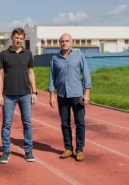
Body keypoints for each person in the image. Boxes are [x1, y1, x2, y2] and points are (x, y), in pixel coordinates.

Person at [48, 33, 92, 162]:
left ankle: (79, 149)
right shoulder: (55, 59)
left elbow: (86, 73)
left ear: (71, 42)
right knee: (65, 123)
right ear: (59, 43)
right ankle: (68, 148)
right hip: (62, 94)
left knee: (80, 123)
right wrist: (52, 95)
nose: (64, 43)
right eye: (62, 41)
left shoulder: (79, 56)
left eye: (67, 41)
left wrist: (87, 93)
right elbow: (52, 77)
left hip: (77, 94)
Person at [0, 27, 37, 164]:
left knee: (27, 123)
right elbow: (0, 74)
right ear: (12, 38)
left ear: (23, 39)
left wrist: (34, 92)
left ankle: (28, 150)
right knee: (6, 124)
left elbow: (31, 73)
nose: (18, 40)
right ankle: (5, 151)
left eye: (21, 38)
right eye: (16, 37)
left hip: (25, 94)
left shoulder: (28, 54)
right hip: (8, 95)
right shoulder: (4, 54)